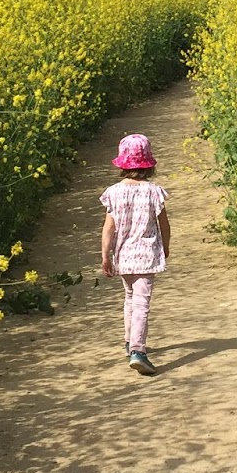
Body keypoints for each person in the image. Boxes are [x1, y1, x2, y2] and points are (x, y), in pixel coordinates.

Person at [100, 132, 170, 376]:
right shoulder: (154, 191)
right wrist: (166, 247)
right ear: (149, 164)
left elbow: (109, 227)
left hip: (124, 255)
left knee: (130, 298)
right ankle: (138, 351)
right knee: (142, 303)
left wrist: (105, 255)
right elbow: (164, 225)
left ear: (122, 164)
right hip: (146, 255)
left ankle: (130, 342)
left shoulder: (114, 192)